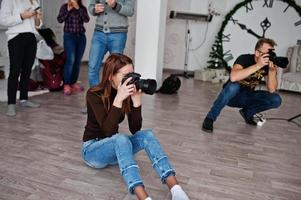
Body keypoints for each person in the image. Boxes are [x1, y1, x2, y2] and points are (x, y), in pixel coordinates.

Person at [82, 54, 190, 200]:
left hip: (116, 149)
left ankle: (176, 190)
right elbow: (109, 132)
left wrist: (136, 101)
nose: (131, 80)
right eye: (126, 75)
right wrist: (119, 99)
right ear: (110, 77)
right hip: (93, 150)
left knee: (147, 135)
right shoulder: (94, 94)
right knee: (120, 138)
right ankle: (143, 197)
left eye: (132, 74)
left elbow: (135, 129)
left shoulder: (126, 92)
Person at [202, 38, 282, 133]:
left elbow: (272, 89)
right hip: (231, 97)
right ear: (257, 53)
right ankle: (210, 118)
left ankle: (248, 112)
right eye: (267, 53)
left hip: (247, 97)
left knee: (276, 99)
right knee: (233, 86)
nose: (269, 56)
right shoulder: (244, 58)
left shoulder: (266, 66)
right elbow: (233, 77)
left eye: (271, 53)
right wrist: (257, 66)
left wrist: (272, 72)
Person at [0, 0, 43, 117]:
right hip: (16, 37)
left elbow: (38, 25)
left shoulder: (33, 1)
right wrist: (22, 16)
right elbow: (3, 20)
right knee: (15, 71)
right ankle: (11, 104)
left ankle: (24, 99)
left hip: (31, 37)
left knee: (27, 70)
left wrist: (38, 18)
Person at [87, 0, 135, 88]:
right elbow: (91, 7)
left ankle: (114, 98)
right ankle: (95, 97)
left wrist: (115, 5)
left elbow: (130, 11)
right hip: (99, 33)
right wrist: (95, 9)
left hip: (118, 34)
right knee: (92, 67)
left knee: (116, 69)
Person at [57, 0, 90, 96]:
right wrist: (68, 10)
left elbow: (86, 19)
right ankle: (66, 84)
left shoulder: (82, 8)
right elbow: (60, 19)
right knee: (70, 60)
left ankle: (73, 83)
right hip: (69, 37)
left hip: (81, 37)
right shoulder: (64, 7)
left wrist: (78, 8)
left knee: (77, 61)